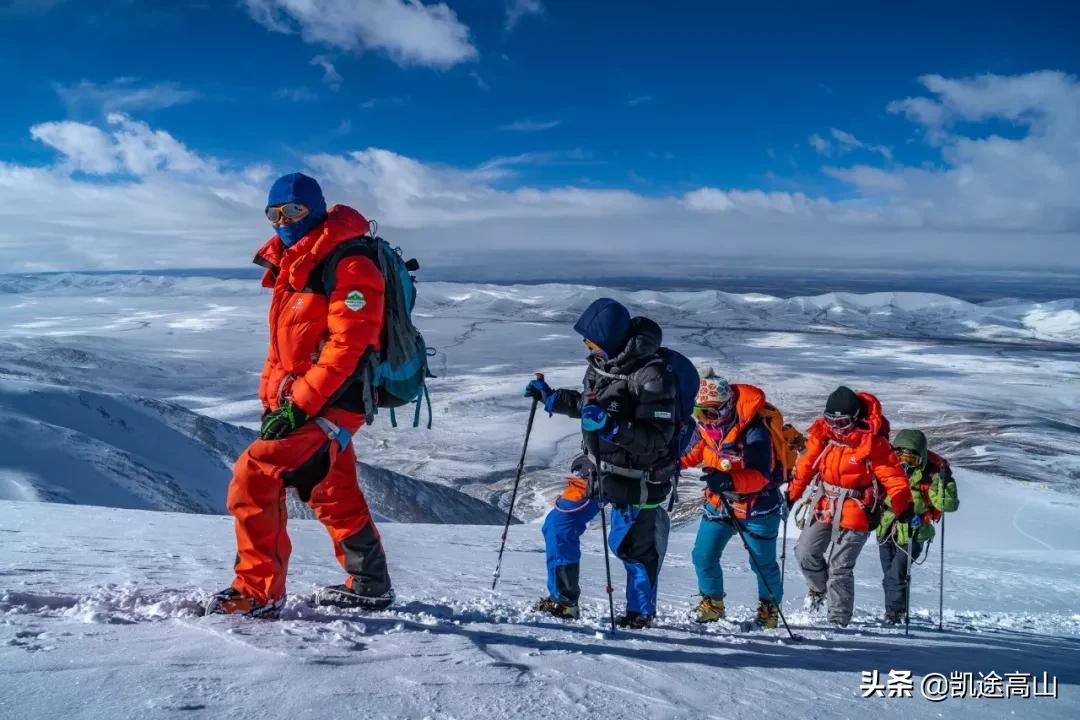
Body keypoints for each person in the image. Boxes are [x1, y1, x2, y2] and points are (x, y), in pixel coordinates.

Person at [205, 172, 393, 618]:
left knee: (255, 473)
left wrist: (300, 406)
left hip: (334, 401)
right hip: (302, 402)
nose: (282, 220)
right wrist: (273, 402)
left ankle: (257, 591)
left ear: (317, 208)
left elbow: (348, 347)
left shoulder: (349, 264)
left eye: (293, 211)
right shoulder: (293, 265)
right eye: (273, 213)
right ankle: (370, 583)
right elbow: (283, 350)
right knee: (332, 487)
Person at [527, 298, 678, 629]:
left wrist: (611, 428)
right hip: (595, 468)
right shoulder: (602, 364)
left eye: (592, 340)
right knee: (559, 525)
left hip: (639, 477)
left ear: (610, 338)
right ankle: (564, 602)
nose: (588, 346)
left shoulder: (653, 375)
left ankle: (640, 614)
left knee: (632, 547)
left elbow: (656, 438)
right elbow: (590, 404)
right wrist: (553, 398)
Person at [788, 386, 913, 627]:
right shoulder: (823, 436)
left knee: (840, 566)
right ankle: (818, 589)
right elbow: (806, 465)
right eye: (830, 420)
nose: (835, 427)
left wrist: (902, 504)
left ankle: (837, 621)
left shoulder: (872, 443)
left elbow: (893, 476)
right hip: (825, 503)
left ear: (856, 419)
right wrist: (792, 494)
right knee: (804, 552)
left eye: (842, 422)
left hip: (858, 509)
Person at [681, 370, 784, 629]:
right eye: (699, 413)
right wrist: (663, 465)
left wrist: (728, 481)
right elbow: (689, 454)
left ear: (726, 408)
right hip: (719, 505)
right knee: (703, 555)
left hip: (757, 508)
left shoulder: (755, 432)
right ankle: (712, 603)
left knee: (762, 564)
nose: (705, 420)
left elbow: (761, 475)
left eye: (710, 413)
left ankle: (768, 610)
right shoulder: (706, 430)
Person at [877, 429, 959, 624]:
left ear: (920, 458)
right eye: (899, 457)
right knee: (890, 573)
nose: (904, 463)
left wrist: (946, 482)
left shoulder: (931, 477)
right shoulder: (888, 473)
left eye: (910, 459)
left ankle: (894, 614)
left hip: (914, 532)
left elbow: (945, 505)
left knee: (896, 573)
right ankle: (896, 611)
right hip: (887, 528)